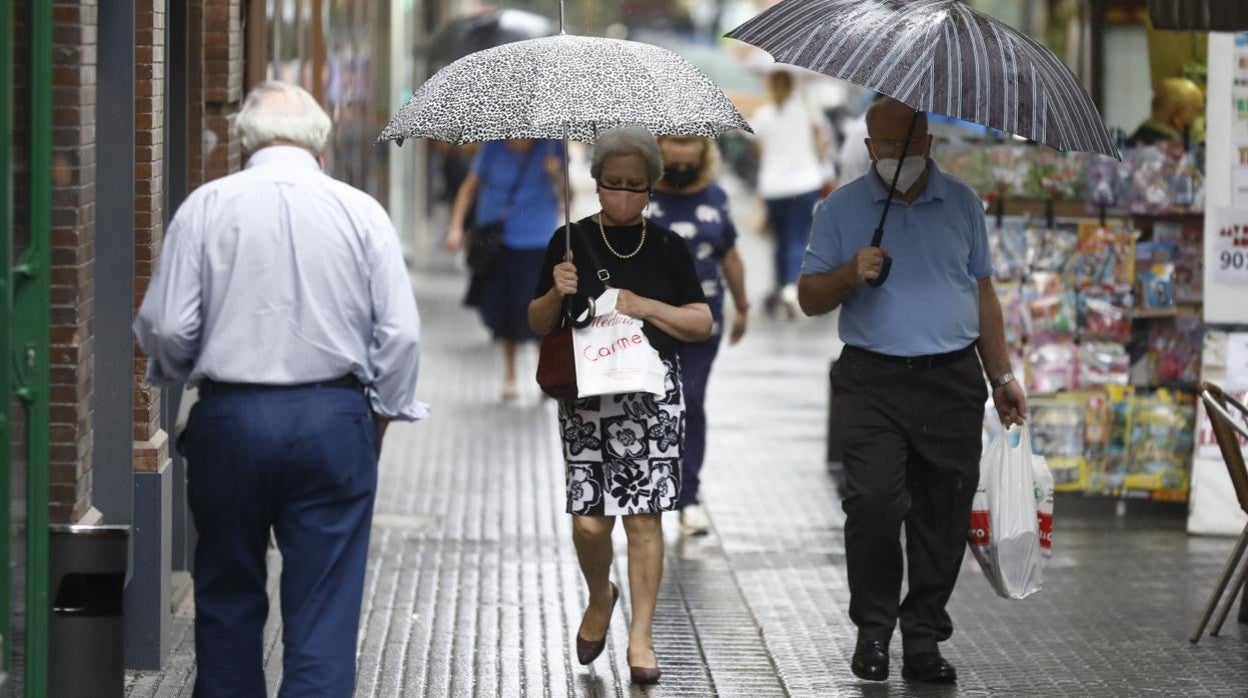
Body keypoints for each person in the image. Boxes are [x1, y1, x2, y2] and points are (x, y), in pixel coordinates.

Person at [133, 81, 427, 697]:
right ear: (321, 146)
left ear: (243, 142)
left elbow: (166, 325)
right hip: (333, 415)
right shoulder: (361, 211)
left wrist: (183, 374)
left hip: (231, 417)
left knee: (226, 598)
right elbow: (399, 336)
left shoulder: (206, 206)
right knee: (324, 611)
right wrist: (379, 417)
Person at [796, 97, 1027, 685]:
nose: (899, 158)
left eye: (910, 145)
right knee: (873, 503)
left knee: (943, 513)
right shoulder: (840, 209)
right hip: (872, 379)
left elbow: (983, 294)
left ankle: (923, 634)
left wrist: (1001, 377)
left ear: (929, 144)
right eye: (888, 147)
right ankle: (873, 629)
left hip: (950, 378)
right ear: (870, 148)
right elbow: (809, 298)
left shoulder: (963, 204)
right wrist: (851, 272)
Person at [529, 125, 712, 685]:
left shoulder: (669, 248)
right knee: (589, 523)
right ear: (597, 183)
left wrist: (644, 305)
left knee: (643, 520)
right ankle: (599, 595)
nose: (625, 194)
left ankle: (641, 637)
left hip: (652, 398)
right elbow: (536, 323)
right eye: (615, 183)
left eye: (637, 185)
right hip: (588, 398)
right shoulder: (569, 240)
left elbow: (700, 322)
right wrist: (556, 292)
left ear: (652, 188)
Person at [648, 135, 749, 536]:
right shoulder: (643, 196)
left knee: (690, 400)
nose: (682, 152)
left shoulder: (717, 197)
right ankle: (652, 492)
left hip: (702, 321)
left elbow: (731, 254)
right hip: (648, 323)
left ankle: (688, 497)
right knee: (652, 405)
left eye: (691, 144)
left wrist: (742, 305)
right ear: (659, 147)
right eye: (674, 143)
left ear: (704, 151)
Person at [448, 138, 564, 400]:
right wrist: (455, 227)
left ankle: (543, 371)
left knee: (540, 307)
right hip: (499, 240)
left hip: (538, 239)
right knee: (506, 309)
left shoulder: (551, 146)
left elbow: (569, 194)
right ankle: (510, 375)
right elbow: (469, 189)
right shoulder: (492, 147)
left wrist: (556, 173)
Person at [750, 69, 827, 318]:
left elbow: (755, 146)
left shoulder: (763, 115)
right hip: (805, 183)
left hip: (774, 186)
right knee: (798, 236)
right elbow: (822, 142)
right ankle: (790, 288)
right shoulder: (806, 111)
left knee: (780, 239)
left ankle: (780, 284)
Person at [1127, 77, 1205, 147]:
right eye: (1195, 112)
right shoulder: (1175, 154)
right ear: (1179, 114)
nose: (1196, 118)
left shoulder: (1131, 141)